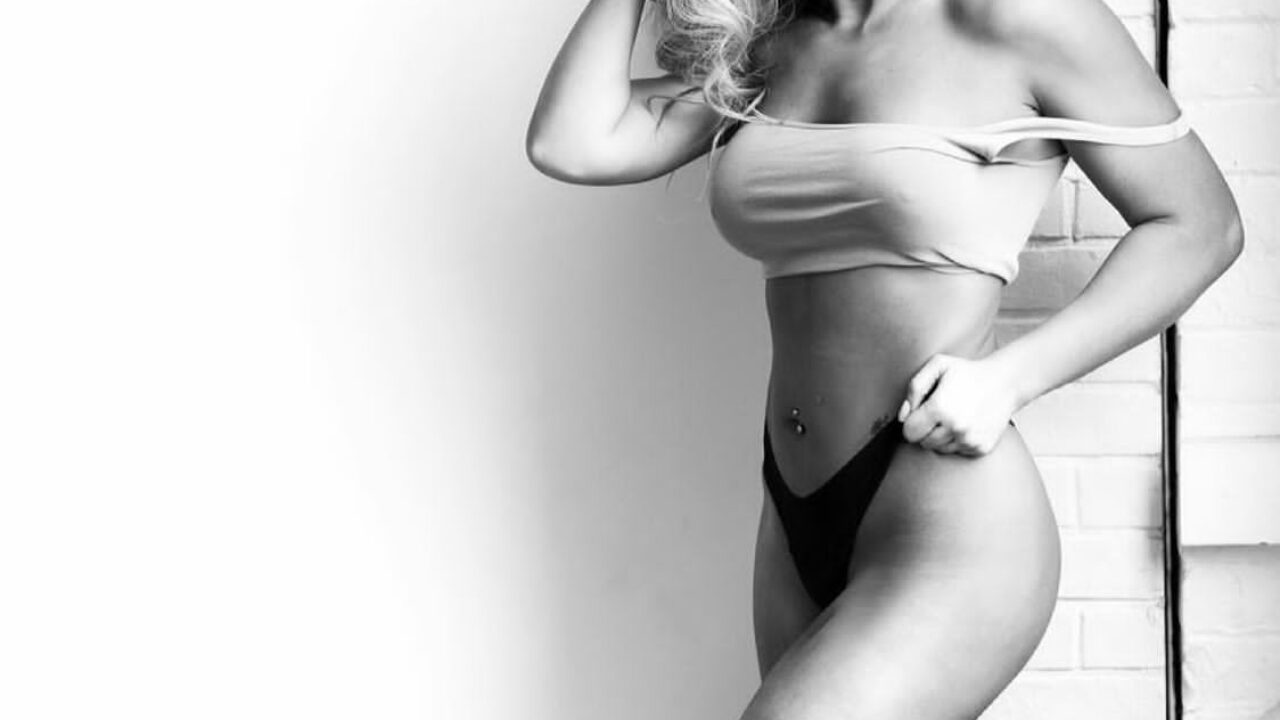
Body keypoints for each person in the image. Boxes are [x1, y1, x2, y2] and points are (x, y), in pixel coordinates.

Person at [526, 0, 1243, 716]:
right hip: (793, 516)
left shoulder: (1019, 17)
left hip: (941, 510)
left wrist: (1011, 380)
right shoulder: (767, 45)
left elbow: (1202, 225)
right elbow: (572, 142)